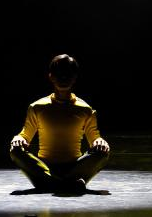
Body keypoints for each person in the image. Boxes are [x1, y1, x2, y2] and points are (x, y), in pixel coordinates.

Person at [9, 54, 111, 194]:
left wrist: (100, 141)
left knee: (103, 151)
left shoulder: (86, 110)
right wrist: (18, 138)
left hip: (74, 168)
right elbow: (25, 135)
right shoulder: (37, 107)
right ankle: (67, 184)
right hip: (44, 168)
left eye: (68, 74)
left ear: (74, 77)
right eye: (59, 74)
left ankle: (52, 184)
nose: (63, 78)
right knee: (15, 150)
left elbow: (95, 139)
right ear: (51, 77)